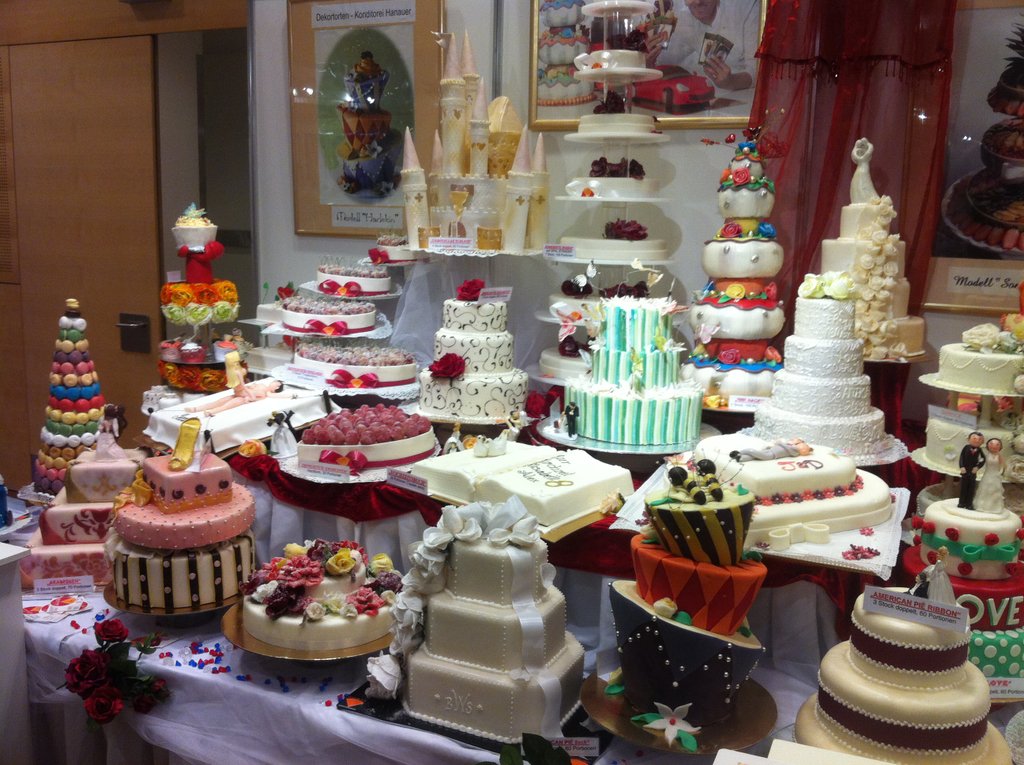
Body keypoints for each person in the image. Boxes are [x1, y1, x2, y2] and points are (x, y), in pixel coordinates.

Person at [647, 0, 760, 92]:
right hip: (686, 98)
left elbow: (758, 71)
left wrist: (730, 81)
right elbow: (658, 64)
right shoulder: (669, 11)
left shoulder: (747, 7)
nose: (698, 2)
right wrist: (647, 63)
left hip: (739, 99)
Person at [974, 437, 1006, 513]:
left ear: (1000, 446)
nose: (994, 446)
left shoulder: (999, 456)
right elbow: (981, 462)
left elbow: (1003, 465)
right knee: (985, 488)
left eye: (997, 444)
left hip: (995, 475)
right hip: (987, 474)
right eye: (991, 444)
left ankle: (994, 507)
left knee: (994, 490)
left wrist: (1000, 472)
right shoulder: (986, 455)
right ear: (988, 446)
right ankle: (981, 505)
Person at [958, 431, 987, 509]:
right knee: (963, 488)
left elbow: (983, 459)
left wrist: (977, 467)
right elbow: (961, 458)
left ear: (982, 442)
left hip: (972, 472)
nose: (977, 441)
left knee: (971, 488)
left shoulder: (979, 450)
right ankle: (961, 502)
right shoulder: (966, 447)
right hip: (965, 471)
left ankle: (969, 504)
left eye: (979, 439)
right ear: (969, 439)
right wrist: (962, 466)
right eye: (974, 438)